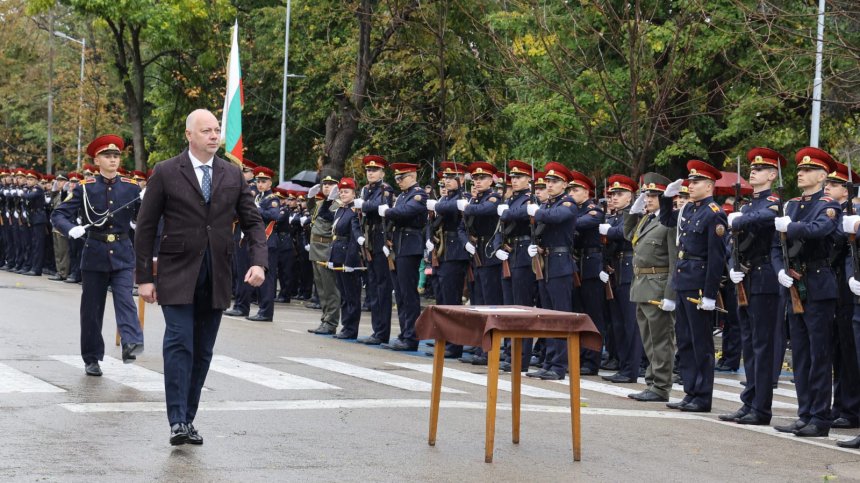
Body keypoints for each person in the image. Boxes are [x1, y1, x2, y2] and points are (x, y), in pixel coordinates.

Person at [134, 109, 267, 446]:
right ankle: (177, 420)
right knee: (179, 342)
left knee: (202, 350)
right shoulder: (166, 171)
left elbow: (253, 222)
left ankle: (188, 418)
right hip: (177, 273)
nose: (213, 135)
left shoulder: (232, 174)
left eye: (216, 130)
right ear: (189, 134)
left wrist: (259, 263)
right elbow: (145, 227)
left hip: (217, 273)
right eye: (206, 130)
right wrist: (145, 277)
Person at [51, 135, 145, 376]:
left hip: (122, 252)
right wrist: (70, 228)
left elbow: (144, 217)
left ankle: (131, 342)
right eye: (107, 156)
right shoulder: (86, 187)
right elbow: (59, 214)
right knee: (92, 310)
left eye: (116, 156)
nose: (113, 160)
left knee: (125, 298)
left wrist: (149, 203)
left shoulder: (131, 187)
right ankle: (91, 357)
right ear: (97, 160)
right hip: (95, 253)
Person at [771, 147, 840, 437]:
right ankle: (804, 413)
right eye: (800, 169)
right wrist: (780, 270)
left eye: (808, 170)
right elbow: (776, 246)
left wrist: (792, 227)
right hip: (794, 286)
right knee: (800, 354)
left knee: (818, 354)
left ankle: (820, 418)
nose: (801, 173)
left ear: (823, 176)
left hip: (818, 286)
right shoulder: (791, 205)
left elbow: (819, 229)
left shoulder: (828, 204)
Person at [719, 148, 784, 425]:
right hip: (744, 277)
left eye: (759, 169)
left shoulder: (774, 202)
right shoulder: (746, 206)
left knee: (762, 344)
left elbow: (767, 219)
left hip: (764, 278)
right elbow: (731, 243)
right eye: (752, 169)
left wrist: (740, 219)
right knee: (748, 342)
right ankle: (749, 401)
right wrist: (732, 266)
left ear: (772, 175)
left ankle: (761, 408)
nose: (753, 172)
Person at [659, 160, 728, 413]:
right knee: (685, 340)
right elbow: (667, 220)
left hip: (699, 282)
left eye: (696, 182)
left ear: (709, 185)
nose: (691, 185)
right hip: (684, 278)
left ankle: (702, 396)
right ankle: (690, 391)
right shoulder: (688, 209)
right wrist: (666, 198)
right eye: (690, 181)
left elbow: (716, 257)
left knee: (701, 343)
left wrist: (710, 294)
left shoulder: (714, 213)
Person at [624, 173, 678, 402]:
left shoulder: (669, 222)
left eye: (653, 196)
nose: (647, 199)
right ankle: (652, 382)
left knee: (661, 340)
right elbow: (628, 235)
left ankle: (661, 386)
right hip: (642, 285)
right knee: (649, 339)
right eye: (646, 195)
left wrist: (670, 294)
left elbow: (674, 260)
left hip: (658, 285)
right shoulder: (646, 219)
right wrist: (633, 211)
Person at [524, 162, 577, 380]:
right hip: (545, 262)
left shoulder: (568, 203)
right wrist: (535, 246)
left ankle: (559, 365)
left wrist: (537, 211)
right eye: (548, 181)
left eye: (554, 181)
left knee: (560, 316)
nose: (549, 185)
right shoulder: (547, 205)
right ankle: (548, 361)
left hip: (560, 263)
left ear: (564, 184)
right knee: (547, 315)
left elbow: (556, 217)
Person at [378, 162, 427, 351]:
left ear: (412, 176)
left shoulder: (418, 194)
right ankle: (404, 333)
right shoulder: (403, 196)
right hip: (399, 245)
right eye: (397, 178)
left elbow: (406, 212)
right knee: (399, 294)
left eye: (402, 177)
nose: (398, 181)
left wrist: (387, 211)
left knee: (408, 294)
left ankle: (411, 337)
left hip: (410, 246)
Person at [424, 162, 470, 358]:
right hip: (441, 251)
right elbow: (432, 222)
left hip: (455, 252)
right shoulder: (445, 199)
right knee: (442, 298)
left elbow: (453, 209)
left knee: (452, 300)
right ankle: (443, 339)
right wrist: (429, 239)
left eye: (451, 178)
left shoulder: (463, 197)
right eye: (445, 178)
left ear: (461, 179)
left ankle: (455, 344)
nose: (447, 181)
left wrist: (437, 205)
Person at [599, 174, 642, 383]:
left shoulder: (634, 214)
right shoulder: (614, 216)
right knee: (617, 323)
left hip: (628, 268)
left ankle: (631, 368)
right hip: (615, 269)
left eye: (620, 193)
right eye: (612, 194)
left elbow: (627, 233)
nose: (614, 197)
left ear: (630, 196)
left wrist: (610, 231)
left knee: (630, 323)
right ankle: (623, 365)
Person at [497, 160, 538, 372]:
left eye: (519, 177)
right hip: (510, 254)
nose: (514, 180)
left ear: (528, 179)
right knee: (509, 308)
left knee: (522, 308)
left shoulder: (530, 199)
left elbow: (519, 215)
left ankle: (522, 357)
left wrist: (505, 212)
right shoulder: (512, 199)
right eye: (512, 177)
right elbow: (500, 228)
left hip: (523, 256)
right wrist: (497, 247)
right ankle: (510, 352)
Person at [568, 171, 606, 376]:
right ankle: (579, 355)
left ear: (586, 192)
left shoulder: (594, 210)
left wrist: (563, 218)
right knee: (578, 312)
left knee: (593, 314)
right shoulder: (574, 210)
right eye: (570, 190)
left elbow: (581, 224)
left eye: (575, 190)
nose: (571, 194)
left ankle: (592, 360)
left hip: (591, 265)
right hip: (577, 264)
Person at [356, 155, 396, 345]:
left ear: (382, 173)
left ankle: (382, 332)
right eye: (368, 170)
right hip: (370, 240)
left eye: (374, 170)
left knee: (382, 287)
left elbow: (381, 205)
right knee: (372, 286)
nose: (370, 173)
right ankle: (376, 330)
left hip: (381, 238)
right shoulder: (367, 189)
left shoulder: (385, 189)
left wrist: (363, 205)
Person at [328, 177, 365, 339]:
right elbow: (334, 232)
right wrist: (331, 257)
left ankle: (351, 329)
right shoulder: (340, 209)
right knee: (343, 294)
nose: (343, 194)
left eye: (346, 192)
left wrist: (350, 261)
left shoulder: (355, 211)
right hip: (338, 253)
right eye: (341, 192)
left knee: (352, 295)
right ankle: (345, 326)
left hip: (349, 255)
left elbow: (354, 237)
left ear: (354, 193)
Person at [306, 176, 342, 334]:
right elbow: (313, 213)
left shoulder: (338, 204)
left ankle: (331, 322)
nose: (327, 187)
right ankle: (325, 319)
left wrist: (329, 201)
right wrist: (310, 198)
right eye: (325, 184)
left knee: (330, 289)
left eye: (331, 184)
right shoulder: (321, 203)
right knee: (321, 289)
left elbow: (328, 217)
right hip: (316, 248)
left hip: (326, 248)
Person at [48, 173, 70, 281]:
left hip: (62, 225)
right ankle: (59, 271)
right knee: (57, 250)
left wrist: (65, 191)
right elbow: (52, 204)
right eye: (58, 181)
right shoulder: (57, 194)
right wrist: (53, 191)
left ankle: (63, 272)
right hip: (55, 225)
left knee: (63, 250)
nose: (59, 183)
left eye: (62, 180)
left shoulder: (67, 194)